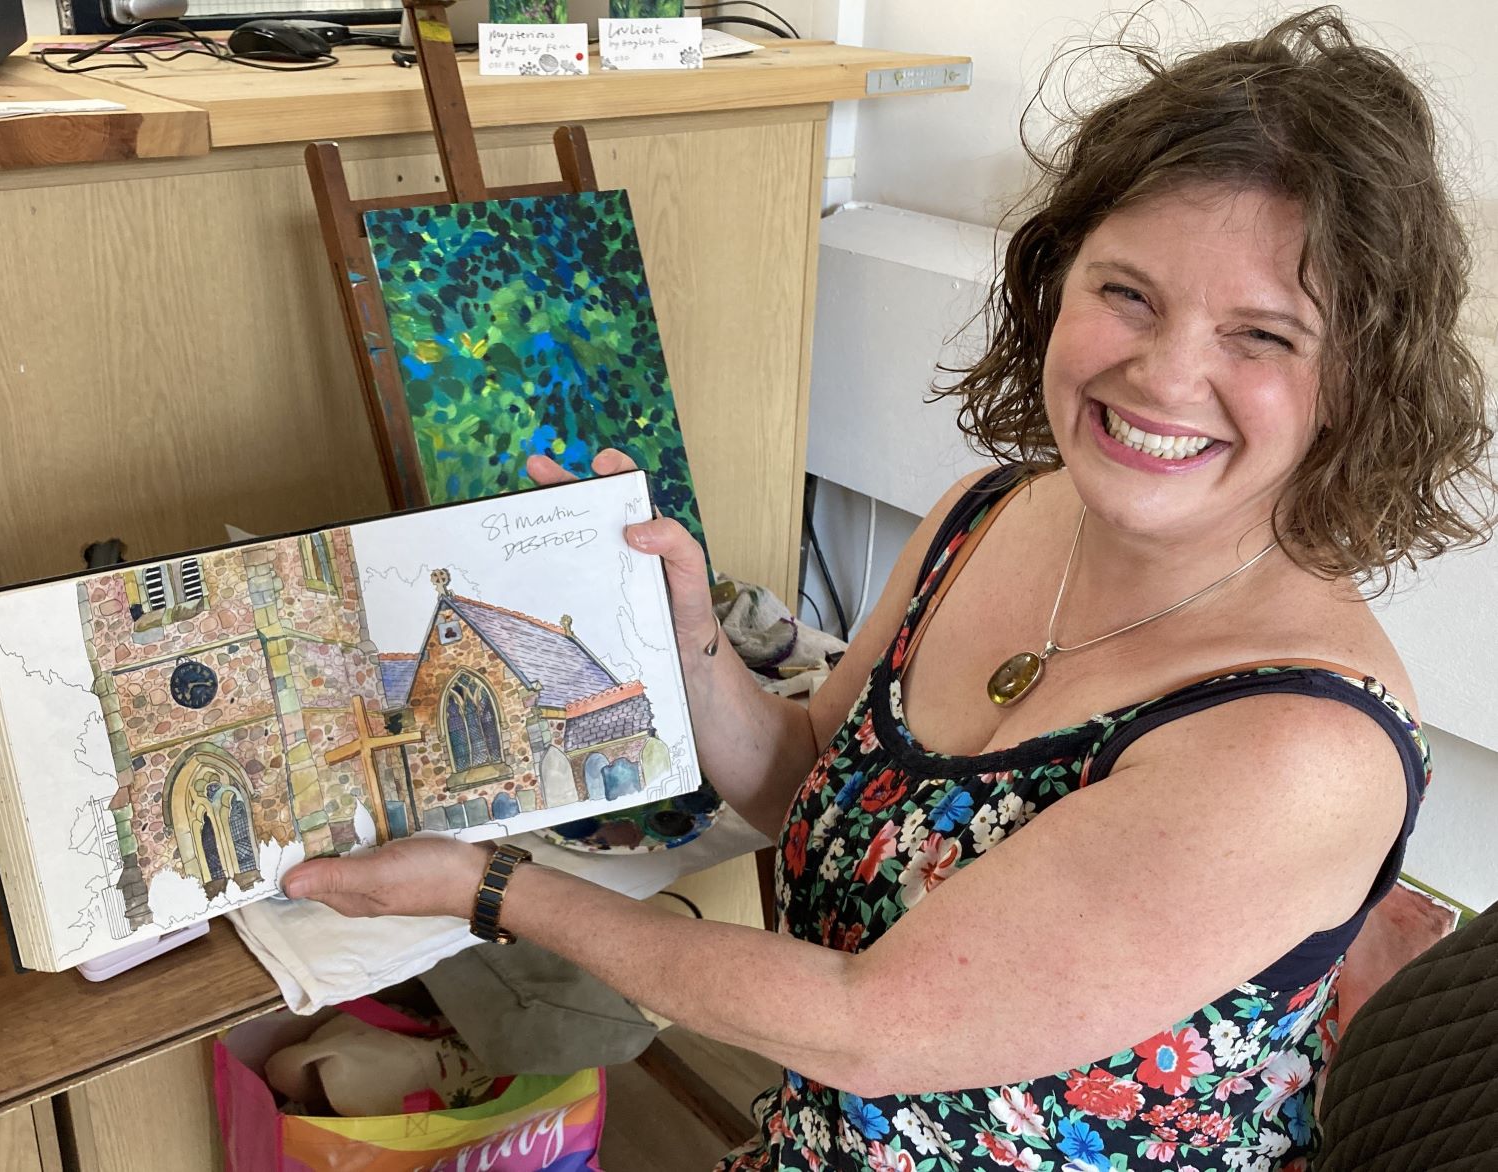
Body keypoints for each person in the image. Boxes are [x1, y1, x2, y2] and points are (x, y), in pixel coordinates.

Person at [283, 9, 1495, 1169]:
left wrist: (488, 886)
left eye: (1263, 335)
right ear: (1056, 282)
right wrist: (686, 640)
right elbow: (805, 784)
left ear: (1357, 382)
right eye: (1128, 293)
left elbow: (867, 1024)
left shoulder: (1301, 746)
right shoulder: (993, 511)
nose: (1167, 374)